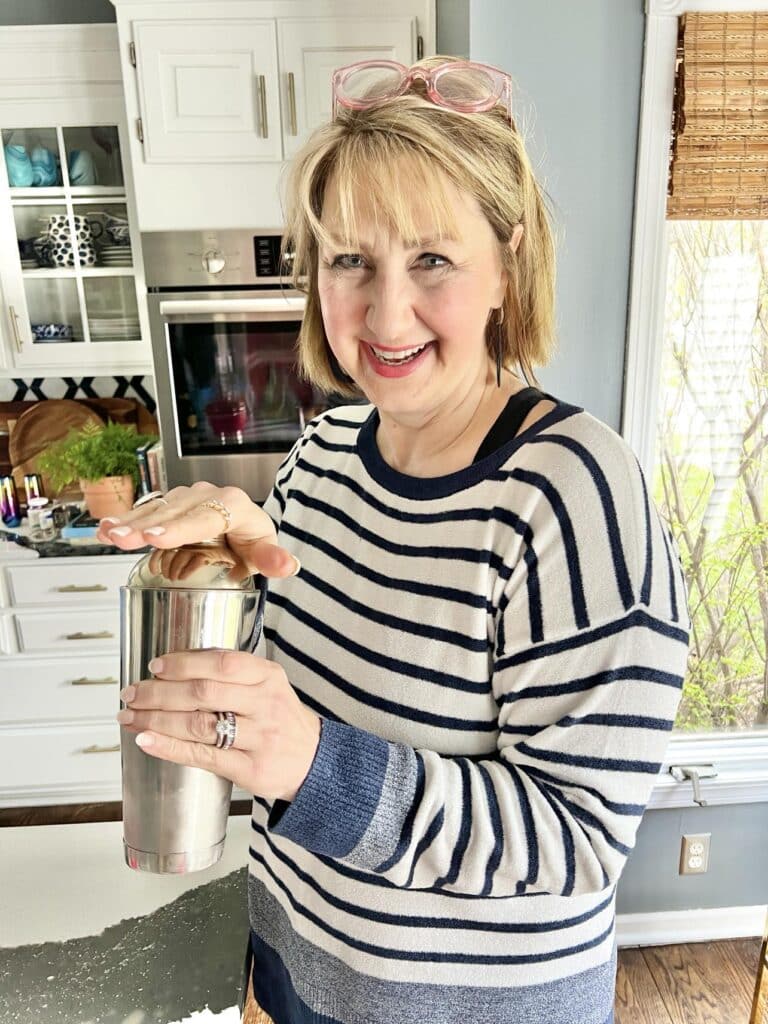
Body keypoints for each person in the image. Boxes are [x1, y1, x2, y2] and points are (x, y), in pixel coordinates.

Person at [98, 56, 691, 1024]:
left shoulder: (573, 488)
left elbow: (573, 839)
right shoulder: (326, 448)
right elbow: (302, 702)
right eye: (348, 260)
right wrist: (227, 570)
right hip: (297, 957)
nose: (383, 312)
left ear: (507, 263)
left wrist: (309, 763)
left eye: (432, 259)